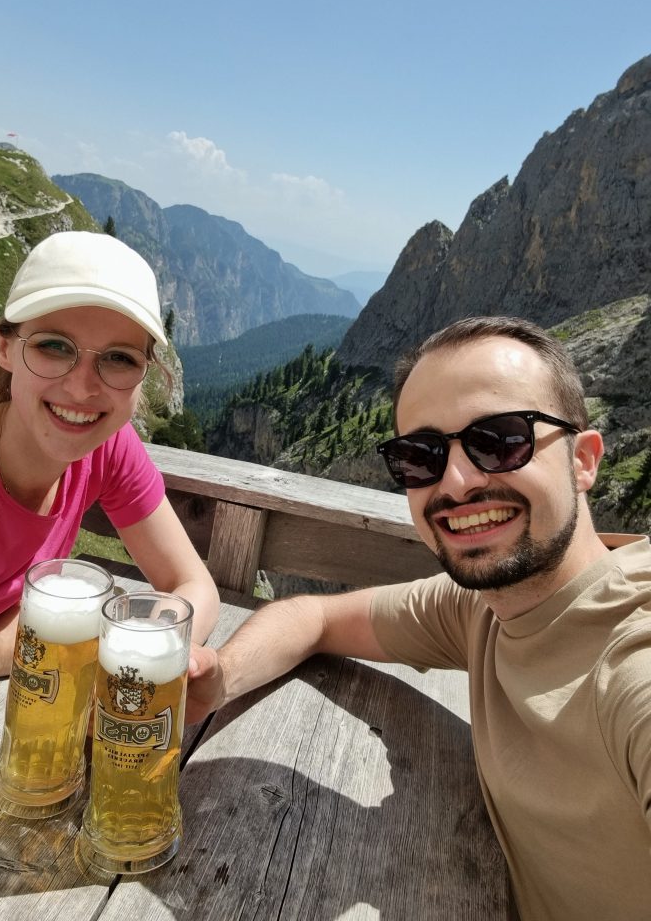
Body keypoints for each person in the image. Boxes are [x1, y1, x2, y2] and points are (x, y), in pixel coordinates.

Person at [186, 315, 651, 921]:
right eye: (420, 456)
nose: (455, 482)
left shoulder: (631, 655)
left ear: (584, 460)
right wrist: (215, 682)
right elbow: (314, 616)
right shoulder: (482, 607)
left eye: (501, 439)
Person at [0, 230, 220, 762]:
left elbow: (192, 585)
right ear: (6, 349)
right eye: (53, 347)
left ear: (143, 377)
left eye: (119, 359)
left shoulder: (105, 446)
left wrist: (137, 661)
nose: (83, 388)